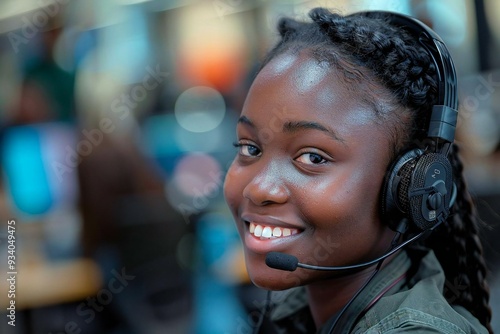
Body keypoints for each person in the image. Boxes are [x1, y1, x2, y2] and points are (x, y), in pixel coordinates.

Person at [223, 7, 493, 334]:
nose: (258, 189)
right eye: (251, 149)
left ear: (408, 188)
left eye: (313, 157)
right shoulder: (302, 312)